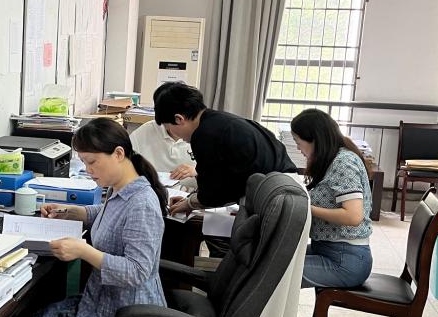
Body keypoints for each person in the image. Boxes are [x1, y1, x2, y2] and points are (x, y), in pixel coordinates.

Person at [29, 118, 168, 317]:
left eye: (92, 162)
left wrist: (84, 251)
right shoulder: (121, 189)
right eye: (84, 162)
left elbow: (137, 271)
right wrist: (75, 212)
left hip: (130, 314)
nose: (88, 170)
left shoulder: (142, 204)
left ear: (118, 154)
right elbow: (109, 215)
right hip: (106, 301)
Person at [153, 82, 296, 216]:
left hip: (278, 200)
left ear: (179, 119)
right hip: (289, 190)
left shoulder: (205, 134)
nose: (172, 133)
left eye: (168, 127)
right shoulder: (221, 121)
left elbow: (213, 192)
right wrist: (192, 200)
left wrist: (190, 203)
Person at [290, 108, 374, 289]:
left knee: (274, 273)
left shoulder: (343, 162)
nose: (297, 148)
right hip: (332, 250)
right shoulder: (333, 159)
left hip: (345, 261)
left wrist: (306, 207)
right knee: (273, 259)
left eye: (298, 142)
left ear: (314, 139)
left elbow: (353, 216)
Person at [129, 119, 197, 190]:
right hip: (153, 190)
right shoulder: (146, 131)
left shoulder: (199, 132)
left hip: (192, 192)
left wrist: (196, 170)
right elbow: (125, 163)